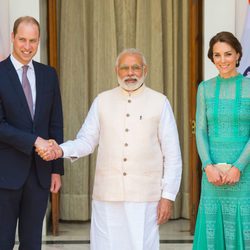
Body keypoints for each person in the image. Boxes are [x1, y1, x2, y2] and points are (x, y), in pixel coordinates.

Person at [38, 48, 182, 250]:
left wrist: (168, 196)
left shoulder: (160, 102)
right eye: (125, 68)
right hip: (107, 196)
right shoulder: (102, 100)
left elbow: (173, 154)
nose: (130, 73)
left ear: (145, 70)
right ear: (116, 70)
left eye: (135, 68)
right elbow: (86, 141)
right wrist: (60, 150)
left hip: (145, 198)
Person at [0, 16, 64, 249]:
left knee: (32, 243)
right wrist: (34, 140)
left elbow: (56, 123)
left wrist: (56, 170)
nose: (27, 47)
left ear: (39, 41)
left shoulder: (49, 75)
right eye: (22, 40)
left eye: (33, 41)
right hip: (4, 175)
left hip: (40, 174)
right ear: (12, 38)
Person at [193, 31, 250, 249]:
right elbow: (200, 130)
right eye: (217, 55)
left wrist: (238, 167)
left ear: (237, 55)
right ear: (212, 57)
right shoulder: (204, 89)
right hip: (213, 175)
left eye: (228, 54)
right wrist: (208, 166)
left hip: (244, 175)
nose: (222, 60)